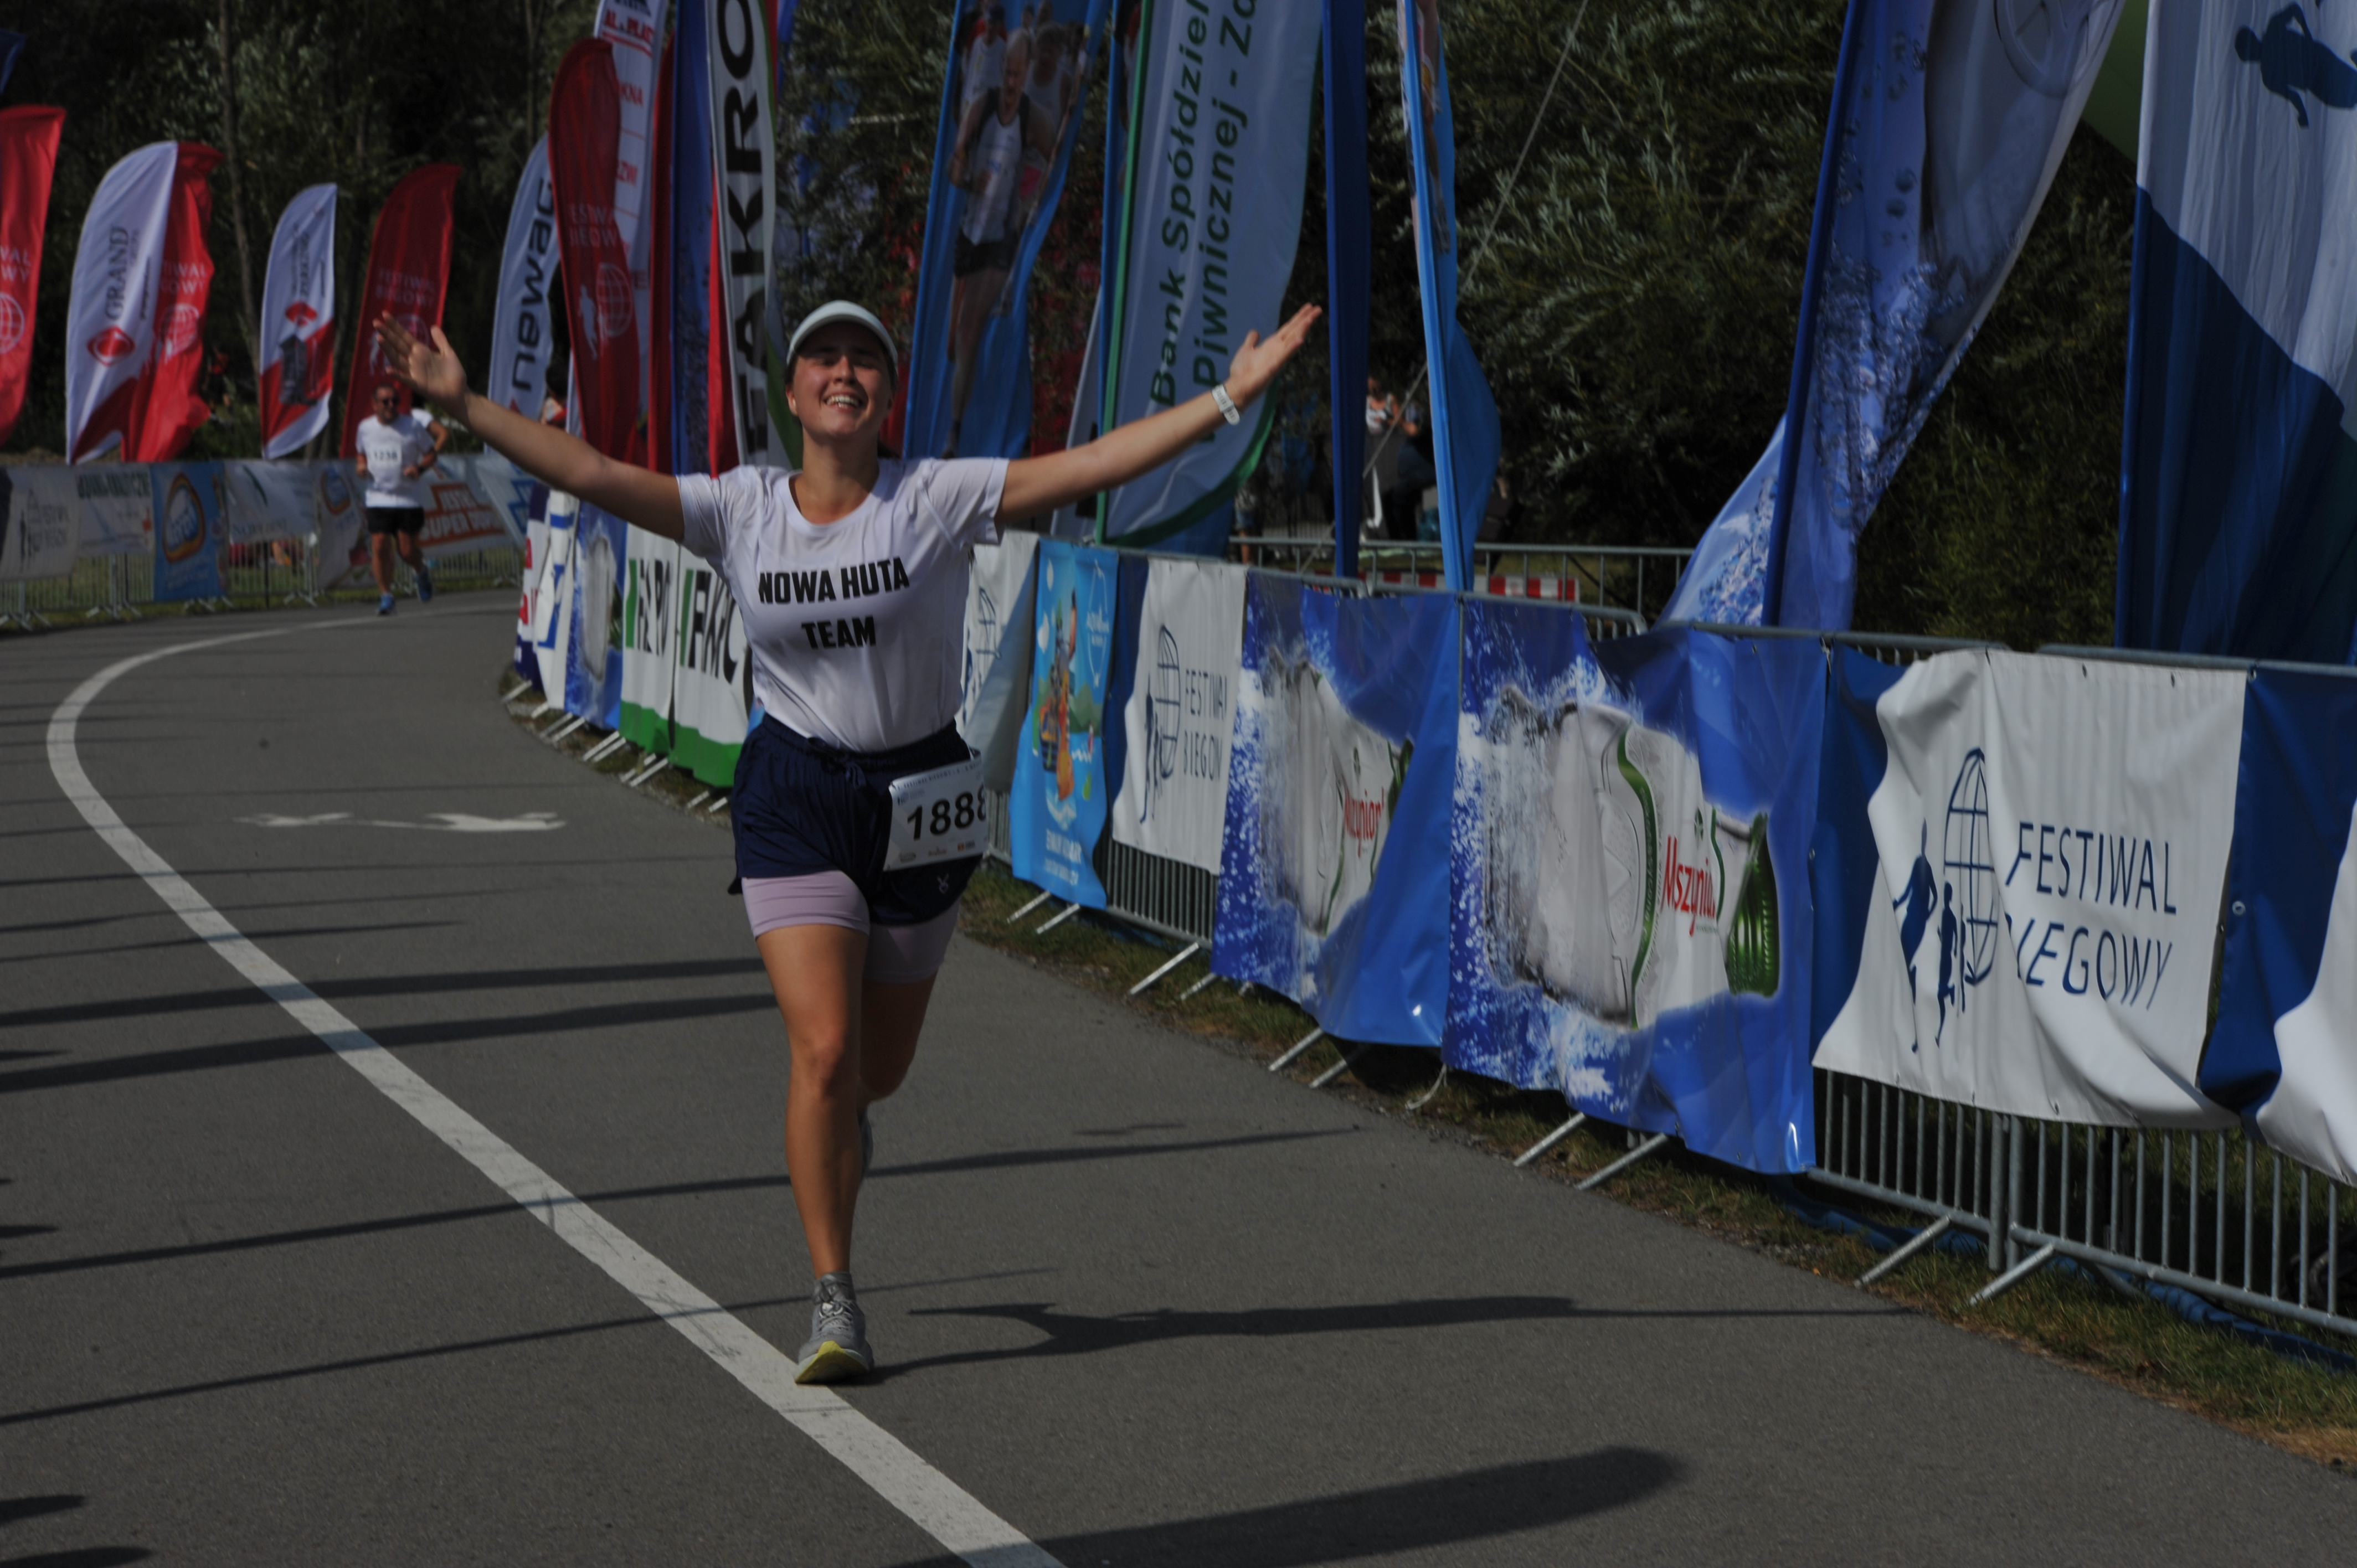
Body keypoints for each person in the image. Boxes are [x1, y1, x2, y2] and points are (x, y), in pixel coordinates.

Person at [372, 293, 1321, 1385]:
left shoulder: (935, 498)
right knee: (822, 1051)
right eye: (822, 356)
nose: (843, 372)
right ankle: (834, 1296)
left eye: (864, 359)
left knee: (877, 1071)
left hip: (921, 800)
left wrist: (1226, 399)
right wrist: (467, 406)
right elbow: (589, 471)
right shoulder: (739, 509)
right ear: (792, 392)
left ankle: (842, 1123)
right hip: (796, 794)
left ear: (885, 394)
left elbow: (1094, 465)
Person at [942, 30, 1064, 453]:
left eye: (1017, 75)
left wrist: (1033, 201)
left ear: (1027, 73)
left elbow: (1056, 154)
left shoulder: (1033, 118)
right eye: (1007, 74)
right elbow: (954, 166)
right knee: (954, 344)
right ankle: (966, 419)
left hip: (1000, 240)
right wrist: (967, 178)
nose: (1011, 83)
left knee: (969, 330)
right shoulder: (982, 107)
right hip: (969, 233)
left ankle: (957, 433)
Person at [353, 382, 449, 615]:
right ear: (374, 405)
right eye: (385, 402)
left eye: (394, 401)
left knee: (406, 551)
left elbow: (431, 454)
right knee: (379, 544)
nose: (391, 406)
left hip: (408, 499)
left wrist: (420, 469)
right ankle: (386, 595)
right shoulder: (365, 428)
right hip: (378, 497)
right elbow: (361, 453)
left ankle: (421, 572)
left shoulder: (412, 426)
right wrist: (362, 466)